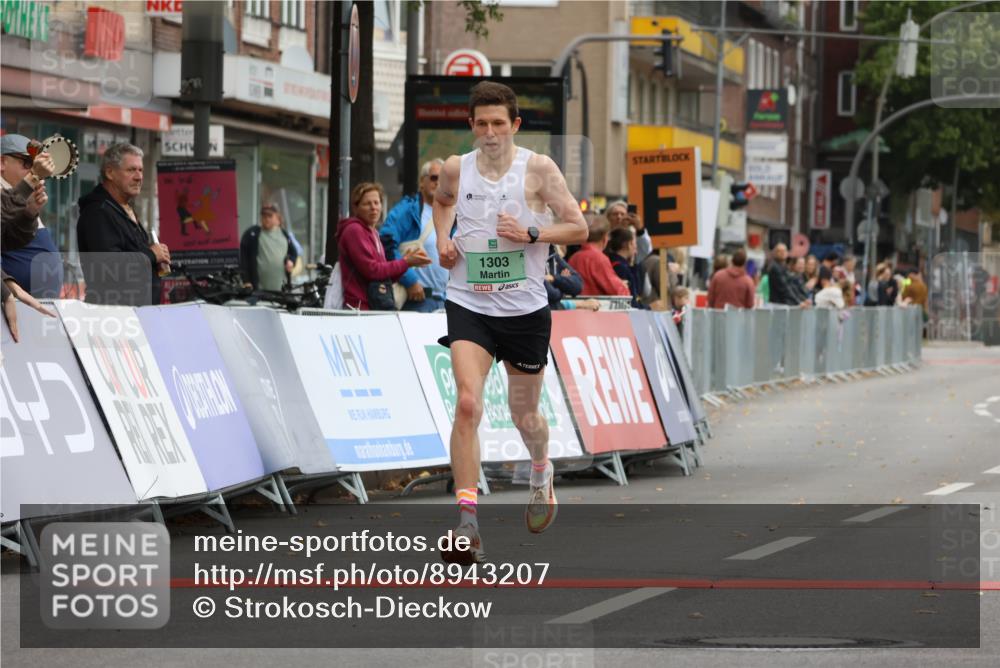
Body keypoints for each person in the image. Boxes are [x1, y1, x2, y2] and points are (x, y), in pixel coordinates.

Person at [433, 80, 588, 563]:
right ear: (472, 126)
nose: (490, 132)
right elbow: (441, 201)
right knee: (466, 404)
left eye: (499, 123)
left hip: (523, 310)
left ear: (515, 125)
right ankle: (467, 525)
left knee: (525, 417)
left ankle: (541, 469)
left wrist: (532, 232)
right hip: (468, 303)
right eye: (481, 123)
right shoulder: (457, 168)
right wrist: (443, 239)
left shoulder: (538, 169)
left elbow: (580, 227)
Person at [77, 143, 170, 305]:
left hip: (138, 316)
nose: (139, 176)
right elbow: (108, 266)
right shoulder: (98, 212)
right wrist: (150, 255)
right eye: (131, 170)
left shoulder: (123, 207)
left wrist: (156, 257)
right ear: (110, 172)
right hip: (115, 318)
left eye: (140, 170)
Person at [338, 182, 430, 310]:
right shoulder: (354, 230)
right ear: (355, 207)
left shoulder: (374, 232)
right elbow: (372, 270)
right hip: (359, 309)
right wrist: (405, 262)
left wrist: (407, 263)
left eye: (376, 203)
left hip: (375, 306)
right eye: (367, 204)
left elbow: (383, 276)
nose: (373, 208)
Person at [381, 158, 450, 312]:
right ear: (421, 182)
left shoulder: (452, 213)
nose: (438, 182)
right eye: (433, 178)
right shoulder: (407, 210)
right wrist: (410, 281)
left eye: (443, 179)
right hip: (417, 300)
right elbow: (386, 244)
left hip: (446, 302)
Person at [1, 134, 62, 298]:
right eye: (27, 163)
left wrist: (30, 213)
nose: (31, 169)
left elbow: (12, 239)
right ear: (2, 162)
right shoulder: (14, 193)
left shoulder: (20, 195)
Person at [239, 204, 298, 291]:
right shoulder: (252, 234)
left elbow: (293, 253)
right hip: (258, 288)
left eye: (270, 216)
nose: (266, 218)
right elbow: (243, 259)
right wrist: (246, 280)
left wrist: (291, 261)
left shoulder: (284, 234)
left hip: (281, 288)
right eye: (264, 215)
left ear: (277, 217)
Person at [568, 216, 630, 297]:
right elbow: (619, 292)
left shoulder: (574, 258)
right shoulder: (599, 258)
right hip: (596, 308)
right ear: (605, 238)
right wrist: (623, 286)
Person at [606, 226, 647, 309]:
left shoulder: (621, 265)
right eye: (634, 243)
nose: (636, 248)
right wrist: (649, 307)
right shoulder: (620, 268)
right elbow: (632, 298)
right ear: (628, 245)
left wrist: (632, 265)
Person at [767, 243, 810, 307]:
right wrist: (799, 302)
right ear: (775, 253)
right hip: (778, 304)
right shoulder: (775, 267)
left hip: (784, 303)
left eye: (784, 251)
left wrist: (802, 299)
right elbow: (785, 288)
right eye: (780, 251)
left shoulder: (784, 266)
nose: (782, 253)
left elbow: (792, 286)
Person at [544, 244, 584, 309]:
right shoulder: (527, 258)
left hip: (555, 312)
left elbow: (578, 285)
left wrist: (554, 278)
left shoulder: (552, 255)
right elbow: (552, 294)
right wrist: (563, 287)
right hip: (539, 314)